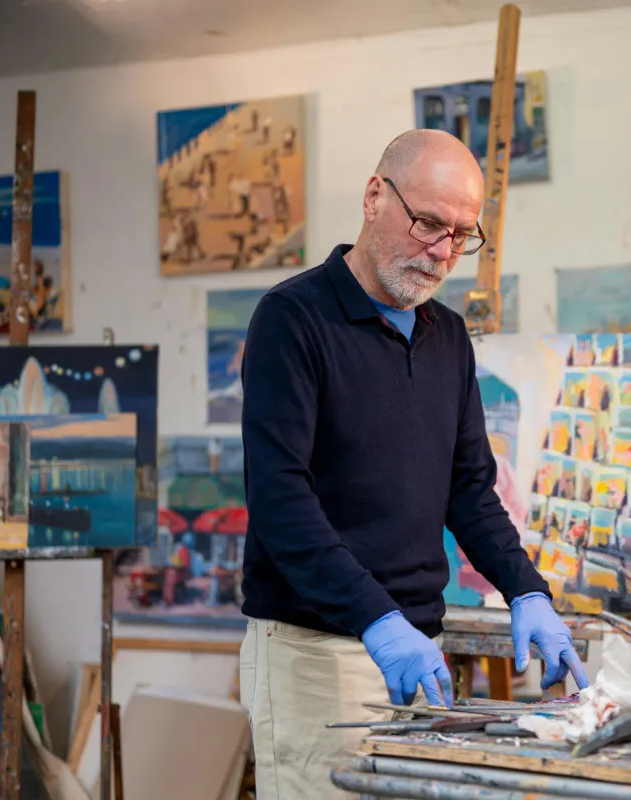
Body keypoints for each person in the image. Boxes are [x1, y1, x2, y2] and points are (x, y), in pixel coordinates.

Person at [238, 129, 590, 798]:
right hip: (318, 651)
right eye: (428, 223)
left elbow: (471, 490)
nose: (442, 251)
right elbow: (282, 504)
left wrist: (527, 590)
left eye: (461, 235)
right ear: (375, 196)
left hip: (422, 651)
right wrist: (378, 621)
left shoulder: (446, 335)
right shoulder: (293, 319)